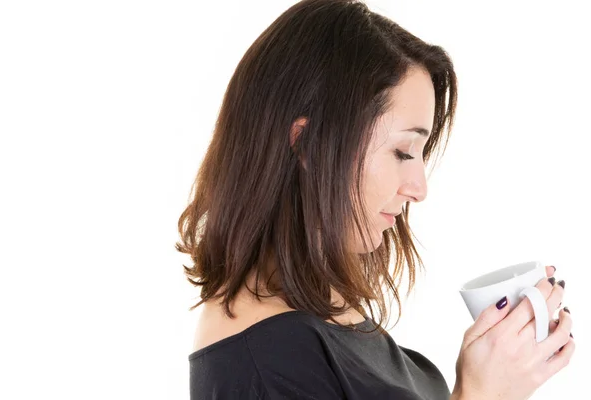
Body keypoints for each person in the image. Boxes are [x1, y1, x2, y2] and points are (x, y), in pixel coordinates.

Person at [176, 0, 575, 398]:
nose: (419, 188)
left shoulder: (312, 309)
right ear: (309, 146)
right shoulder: (264, 362)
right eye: (403, 152)